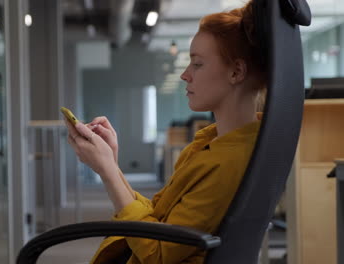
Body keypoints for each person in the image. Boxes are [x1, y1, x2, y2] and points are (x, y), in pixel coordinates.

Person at [64, 0, 266, 263]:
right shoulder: (218, 144)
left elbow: (158, 254)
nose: (185, 74)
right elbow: (159, 219)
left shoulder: (228, 163)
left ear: (236, 71)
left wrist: (108, 171)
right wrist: (111, 165)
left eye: (197, 64)